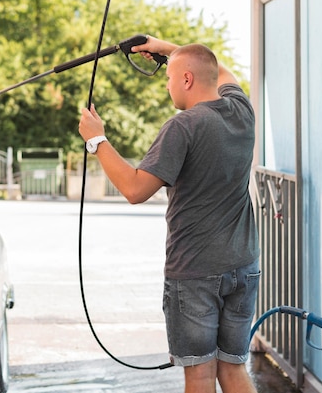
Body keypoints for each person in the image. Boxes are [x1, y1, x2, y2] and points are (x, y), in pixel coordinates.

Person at [78, 36, 260, 393]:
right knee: (233, 371)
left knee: (200, 375)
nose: (167, 84)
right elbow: (220, 70)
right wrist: (168, 49)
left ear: (187, 80)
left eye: (169, 77)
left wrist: (97, 140)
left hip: (195, 274)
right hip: (243, 266)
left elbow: (134, 189)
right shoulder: (242, 110)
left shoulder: (183, 126)